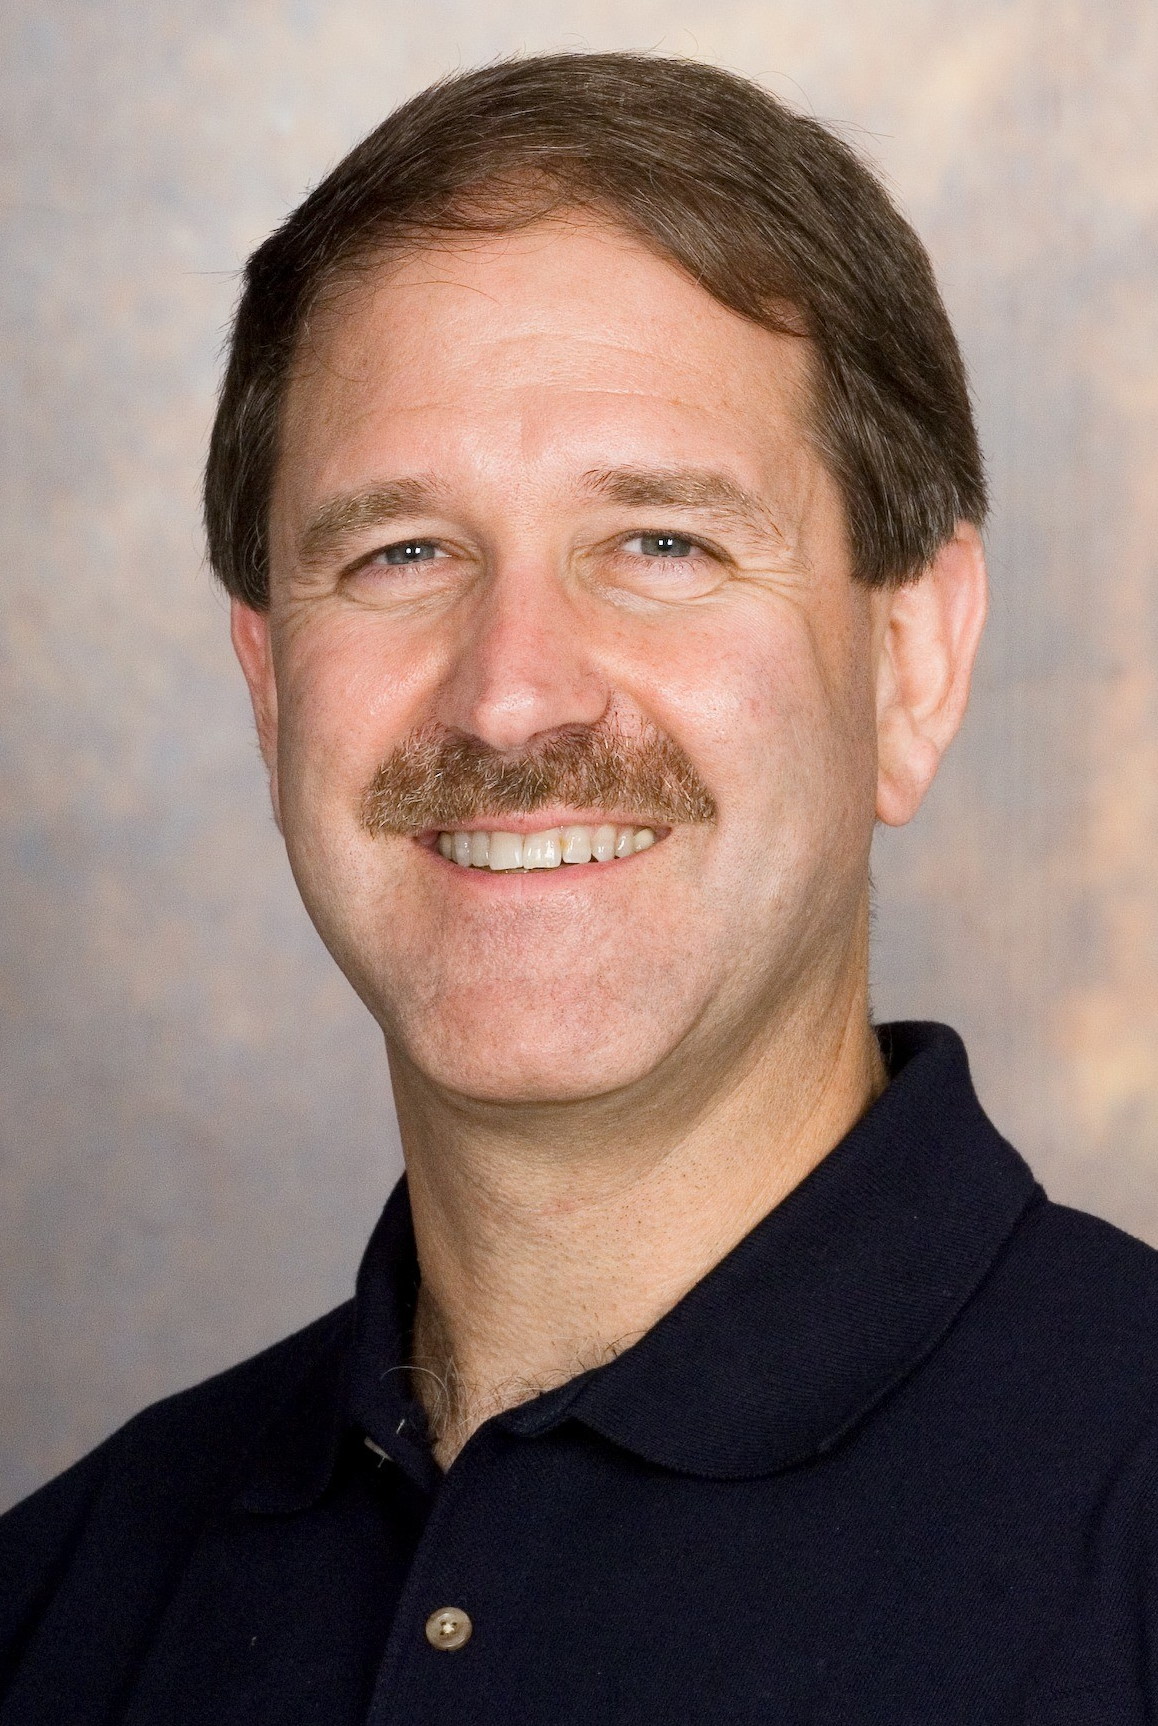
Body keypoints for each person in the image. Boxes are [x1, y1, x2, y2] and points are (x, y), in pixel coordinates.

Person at [1, 49, 1155, 1725]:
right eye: (401, 553)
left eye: (661, 543)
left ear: (909, 663)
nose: (512, 694)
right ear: (269, 690)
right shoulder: (55, 1613)